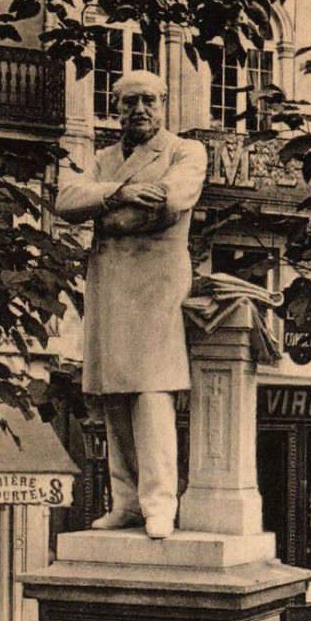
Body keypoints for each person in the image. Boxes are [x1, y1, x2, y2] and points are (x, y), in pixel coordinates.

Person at [56, 70, 207, 539]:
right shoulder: (101, 160)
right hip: (109, 284)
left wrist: (105, 213)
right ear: (115, 108)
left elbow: (172, 201)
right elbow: (65, 200)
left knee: (152, 394)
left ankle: (159, 502)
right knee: (114, 396)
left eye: (147, 101)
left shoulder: (186, 151)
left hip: (156, 285)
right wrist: (117, 194)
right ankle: (126, 501)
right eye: (127, 103)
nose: (138, 110)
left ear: (163, 104)